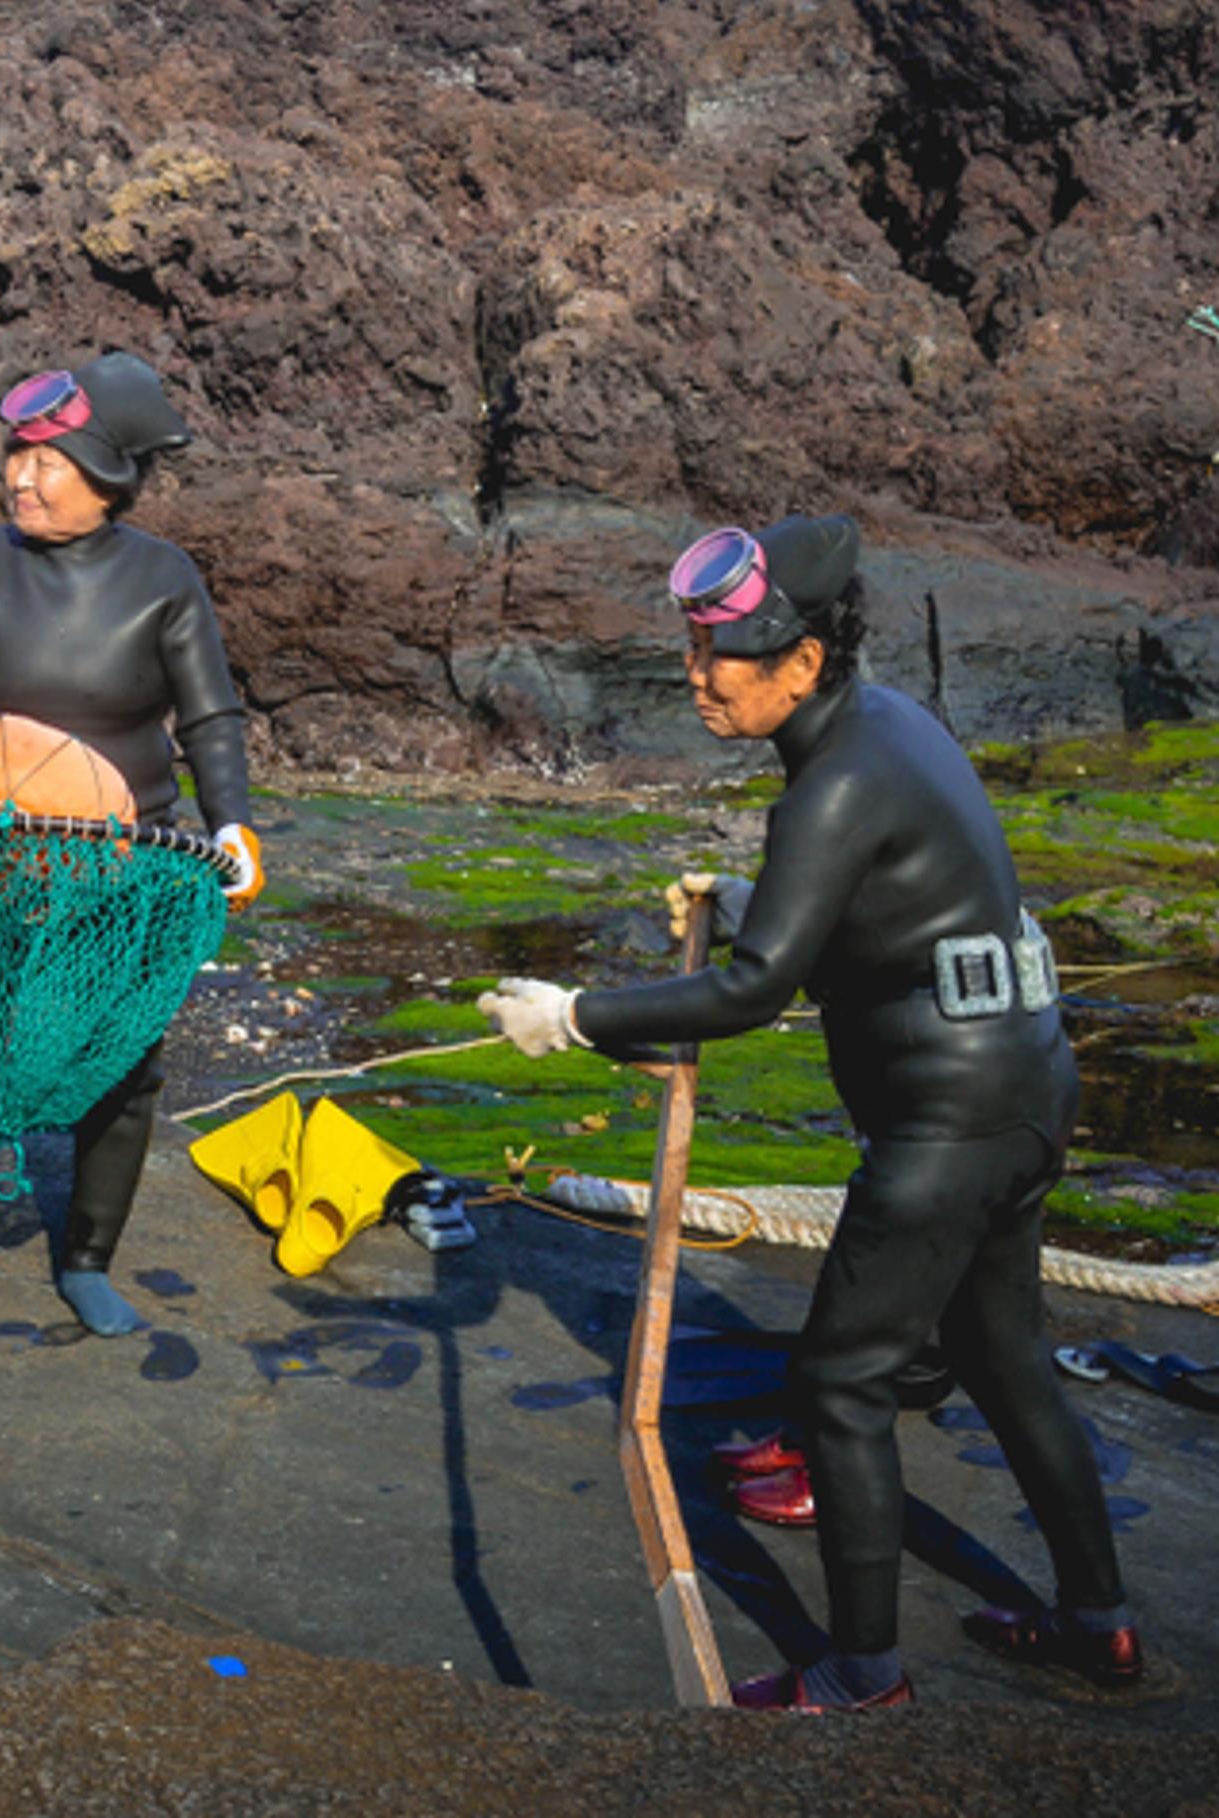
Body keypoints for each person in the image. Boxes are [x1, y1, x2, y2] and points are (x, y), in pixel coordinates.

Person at [478, 515, 1138, 1709]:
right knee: (1002, 1360)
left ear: (805, 663)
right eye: (694, 645)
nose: (697, 674)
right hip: (1024, 1086)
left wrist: (574, 1015)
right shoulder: (890, 730)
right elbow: (882, 911)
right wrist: (757, 896)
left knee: (841, 1386)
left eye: (724, 655)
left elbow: (752, 989)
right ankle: (1101, 1626)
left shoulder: (831, 784)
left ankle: (860, 1675)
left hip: (950, 1126)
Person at [0, 353, 264, 1345]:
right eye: (16, 457)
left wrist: (232, 822)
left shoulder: (164, 578)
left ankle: (86, 1261)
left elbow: (210, 718)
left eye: (48, 460)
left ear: (110, 474)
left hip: (125, 863)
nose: (20, 478)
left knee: (123, 1065)